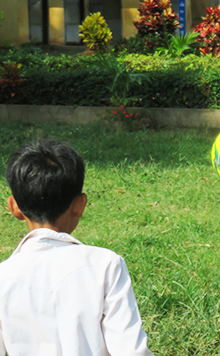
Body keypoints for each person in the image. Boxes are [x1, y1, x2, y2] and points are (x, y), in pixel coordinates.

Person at [0, 140, 152, 356]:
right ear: (80, 205)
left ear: (13, 206)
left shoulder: (3, 277)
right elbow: (130, 350)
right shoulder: (106, 265)